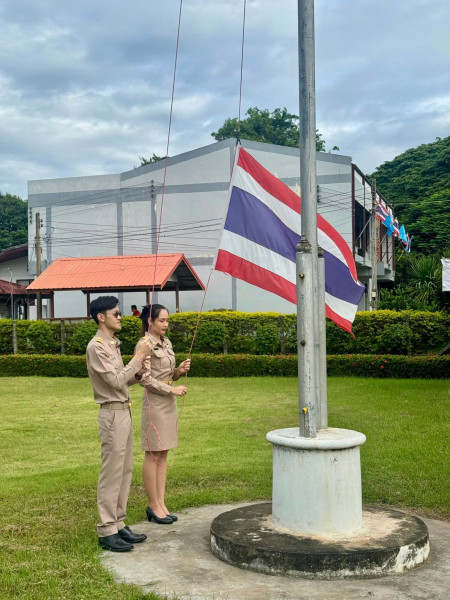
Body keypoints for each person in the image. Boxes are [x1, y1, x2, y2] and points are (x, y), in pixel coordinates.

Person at [86, 295, 152, 552]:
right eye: (115, 313)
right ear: (101, 317)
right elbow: (114, 382)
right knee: (112, 472)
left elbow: (122, 379)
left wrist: (138, 373)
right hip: (112, 414)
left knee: (124, 471)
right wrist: (138, 356)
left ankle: (118, 523)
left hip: (124, 411)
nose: (120, 316)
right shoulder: (97, 347)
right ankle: (106, 530)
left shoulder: (112, 344)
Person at [138, 304, 191, 524]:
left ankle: (161, 503)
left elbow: (168, 375)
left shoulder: (166, 342)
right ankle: (153, 505)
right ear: (150, 321)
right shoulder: (144, 344)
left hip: (169, 402)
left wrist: (178, 371)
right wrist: (171, 389)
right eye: (162, 320)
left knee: (164, 453)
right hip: (155, 404)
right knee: (153, 454)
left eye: (167, 320)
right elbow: (144, 379)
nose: (166, 324)